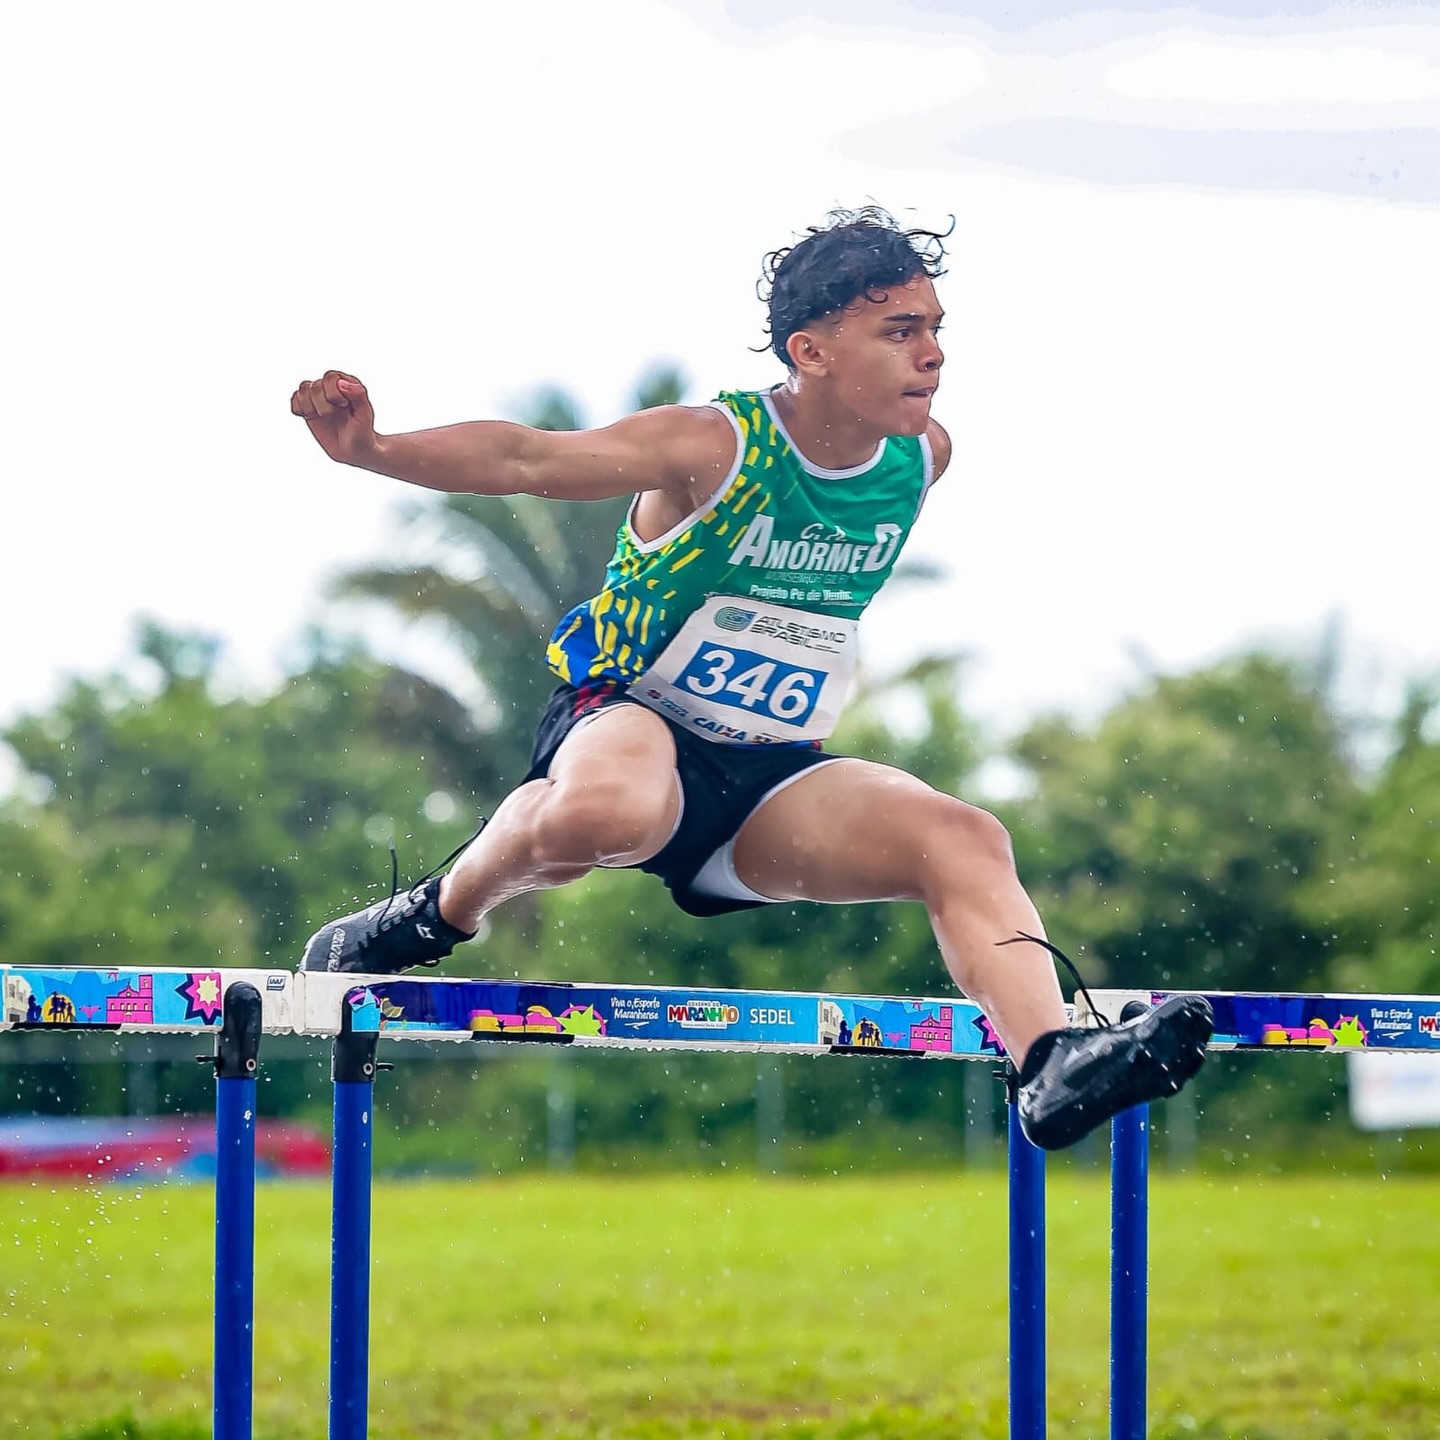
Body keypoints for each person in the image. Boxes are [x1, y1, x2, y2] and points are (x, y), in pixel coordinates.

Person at [289, 206, 1212, 1150]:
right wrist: (375, 449)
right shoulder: (715, 446)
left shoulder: (921, 459)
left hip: (768, 772)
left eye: (936, 330)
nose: (931, 355)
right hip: (628, 713)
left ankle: (1049, 1065)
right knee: (610, 813)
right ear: (810, 353)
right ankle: (429, 918)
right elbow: (530, 459)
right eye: (900, 332)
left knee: (965, 836)